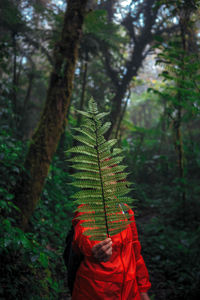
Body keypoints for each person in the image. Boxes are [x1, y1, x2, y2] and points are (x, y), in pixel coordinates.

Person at [71, 204, 151, 300]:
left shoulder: (124, 209)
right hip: (96, 292)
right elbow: (84, 237)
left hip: (130, 292)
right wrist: (96, 249)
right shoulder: (88, 208)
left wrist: (142, 288)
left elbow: (135, 253)